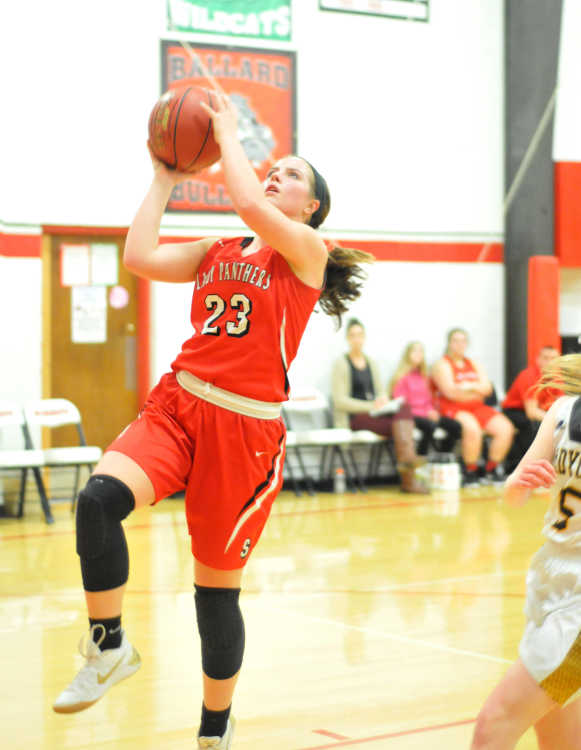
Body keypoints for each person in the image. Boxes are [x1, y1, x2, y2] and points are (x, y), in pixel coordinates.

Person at [52, 89, 373, 748]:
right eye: (271, 167)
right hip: (179, 404)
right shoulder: (217, 247)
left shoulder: (305, 252)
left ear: (309, 207)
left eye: (290, 174)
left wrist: (228, 134)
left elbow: (250, 203)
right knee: (97, 501)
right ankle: (109, 645)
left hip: (245, 432)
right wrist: (163, 179)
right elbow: (139, 258)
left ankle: (214, 727)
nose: (274, 175)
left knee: (214, 594)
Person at [471, 353, 581, 750]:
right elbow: (514, 492)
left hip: (577, 612)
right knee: (558, 739)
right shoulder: (564, 410)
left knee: (494, 724)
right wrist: (520, 483)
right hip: (550, 587)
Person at [331, 319, 428, 493]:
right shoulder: (342, 363)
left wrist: (383, 400)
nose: (357, 339)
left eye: (360, 335)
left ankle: (408, 465)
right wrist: (370, 405)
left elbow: (381, 391)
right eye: (353, 335)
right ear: (347, 338)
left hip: (375, 413)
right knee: (402, 429)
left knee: (403, 408)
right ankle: (409, 479)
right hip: (354, 417)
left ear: (364, 337)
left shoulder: (371, 362)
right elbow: (340, 401)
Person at [431, 328, 514, 487]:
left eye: (463, 341)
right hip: (452, 407)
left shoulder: (474, 363)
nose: (460, 344)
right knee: (472, 428)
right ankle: (470, 471)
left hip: (477, 407)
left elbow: (487, 389)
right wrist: (476, 389)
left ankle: (492, 469)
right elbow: (450, 392)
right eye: (456, 340)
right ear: (449, 343)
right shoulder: (442, 364)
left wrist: (467, 387)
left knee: (505, 428)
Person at [390, 340, 461, 457]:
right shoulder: (401, 377)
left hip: (427, 413)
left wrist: (431, 411)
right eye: (414, 351)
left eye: (420, 351)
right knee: (430, 426)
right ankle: (421, 457)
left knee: (455, 426)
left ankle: (442, 456)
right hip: (412, 415)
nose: (418, 354)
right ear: (408, 354)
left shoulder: (424, 377)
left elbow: (429, 399)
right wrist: (424, 413)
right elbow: (401, 403)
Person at [502, 345, 562, 473]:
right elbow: (532, 412)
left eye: (553, 358)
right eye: (545, 358)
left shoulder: (558, 378)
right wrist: (555, 421)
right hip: (515, 411)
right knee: (534, 426)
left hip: (540, 412)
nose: (549, 362)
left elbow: (561, 405)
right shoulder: (529, 376)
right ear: (538, 359)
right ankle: (524, 467)